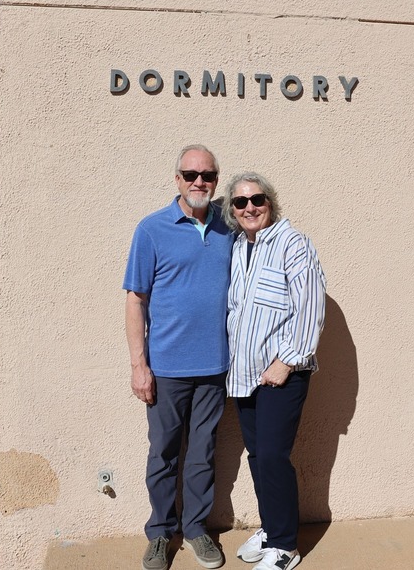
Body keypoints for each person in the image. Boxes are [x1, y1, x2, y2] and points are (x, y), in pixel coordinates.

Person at [123, 145, 233, 570]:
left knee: (203, 454)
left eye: (207, 175)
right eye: (190, 174)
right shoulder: (151, 230)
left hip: (214, 368)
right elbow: (136, 300)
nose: (198, 182)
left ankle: (195, 529)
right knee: (163, 454)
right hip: (166, 369)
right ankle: (159, 533)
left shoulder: (229, 229)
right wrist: (139, 365)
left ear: (216, 180)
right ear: (177, 179)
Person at [222, 172, 327, 570]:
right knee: (258, 456)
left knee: (272, 456)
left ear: (271, 201)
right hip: (244, 374)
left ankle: (285, 545)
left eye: (257, 199)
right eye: (240, 202)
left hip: (281, 373)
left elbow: (311, 306)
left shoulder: (292, 243)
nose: (250, 207)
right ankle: (270, 527)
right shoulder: (236, 248)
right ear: (232, 211)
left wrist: (288, 361)